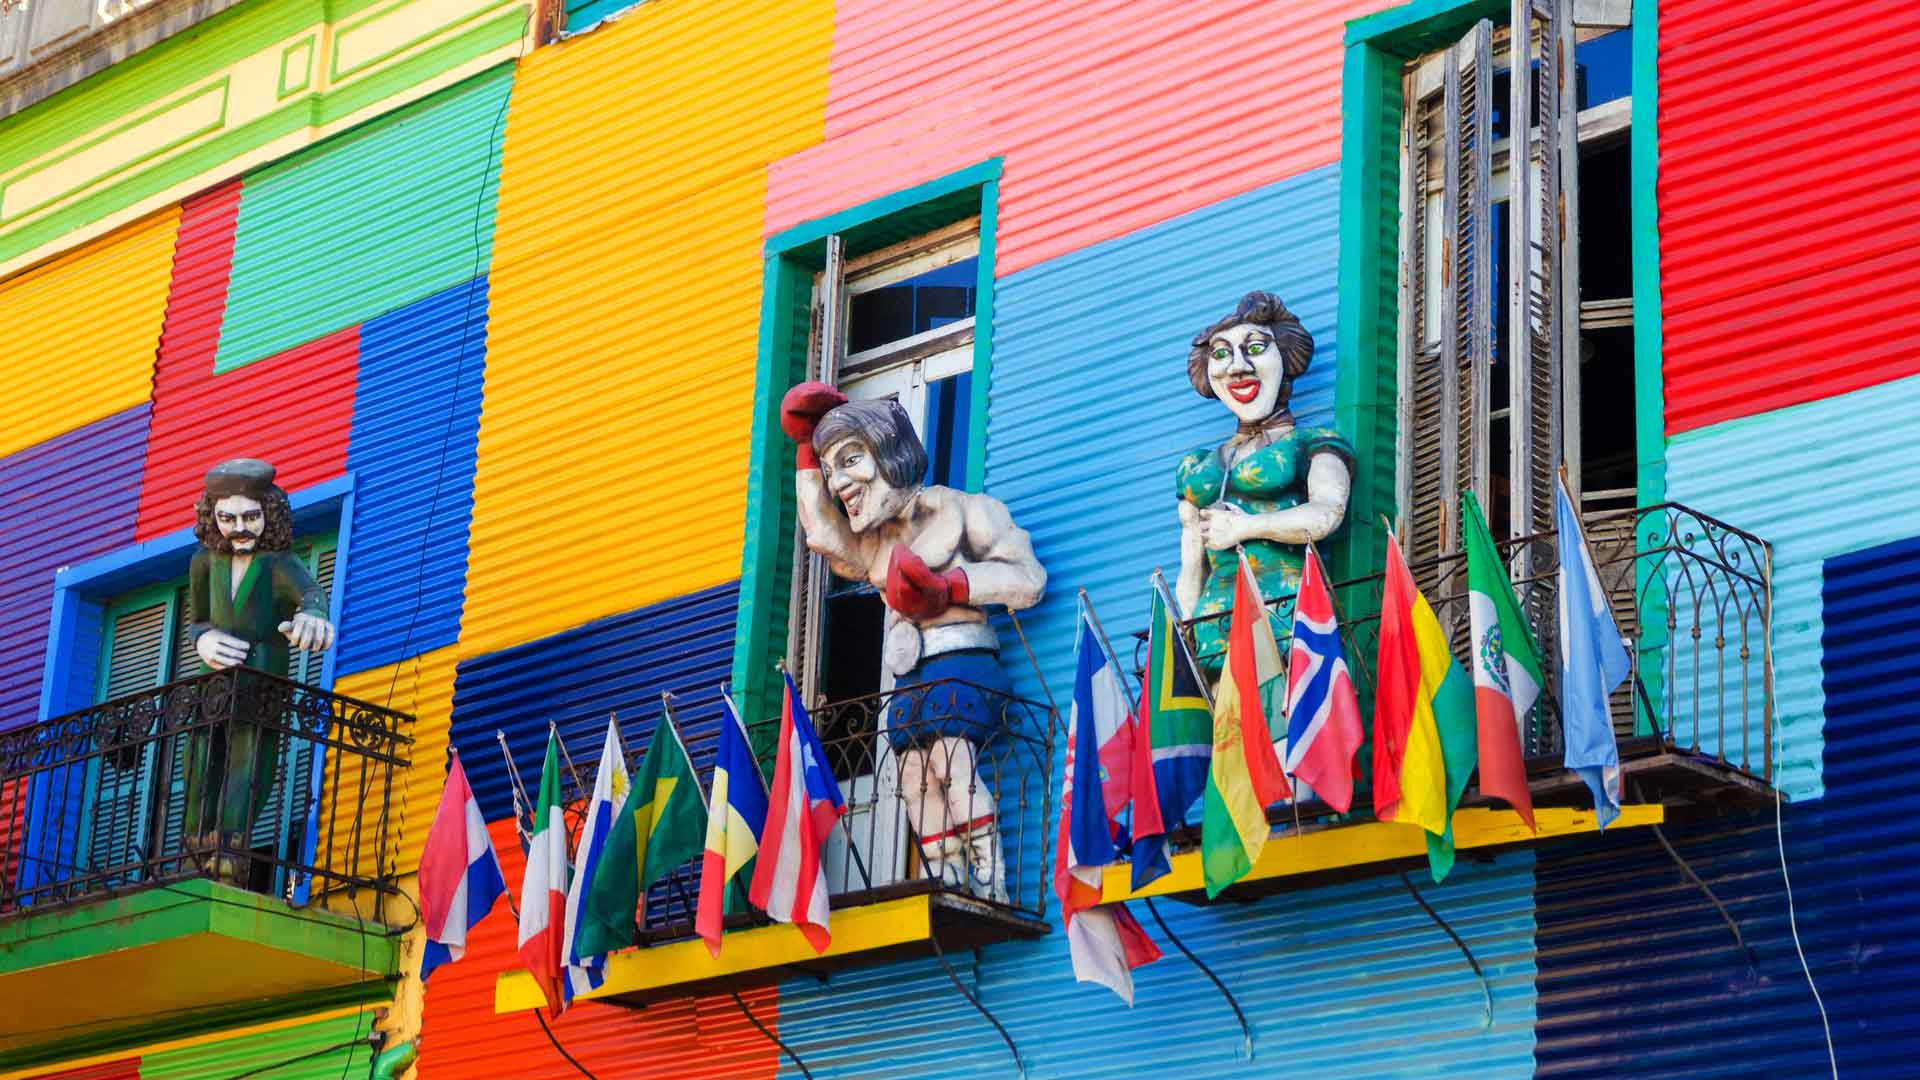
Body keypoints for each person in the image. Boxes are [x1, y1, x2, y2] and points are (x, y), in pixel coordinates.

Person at [780, 385, 1046, 899]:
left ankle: (990, 878)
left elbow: (1028, 581)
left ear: (891, 451)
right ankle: (944, 874)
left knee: (952, 761)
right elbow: (821, 533)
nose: (840, 483)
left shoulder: (968, 511)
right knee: (913, 778)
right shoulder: (872, 543)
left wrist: (952, 587)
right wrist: (805, 451)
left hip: (962, 656)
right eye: (833, 471)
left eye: (851, 460)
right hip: (907, 674)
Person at [1174, 291, 1354, 673]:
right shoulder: (1196, 466)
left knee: (1281, 727)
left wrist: (1246, 527)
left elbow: (1327, 513)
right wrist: (1185, 626)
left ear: (1285, 359)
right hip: (1213, 627)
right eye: (1221, 354)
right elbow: (1191, 562)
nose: (1237, 367)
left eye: (1255, 348)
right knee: (1228, 732)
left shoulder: (1311, 443)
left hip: (1287, 618)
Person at [184, 458, 335, 879]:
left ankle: (231, 847)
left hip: (263, 682)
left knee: (250, 765)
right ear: (213, 517)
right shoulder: (203, 563)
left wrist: (314, 619)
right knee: (201, 762)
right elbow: (198, 619)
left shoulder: (278, 565)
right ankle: (196, 847)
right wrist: (203, 639)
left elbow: (312, 596)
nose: (239, 528)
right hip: (213, 683)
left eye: (250, 516)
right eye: (227, 518)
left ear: (269, 515)